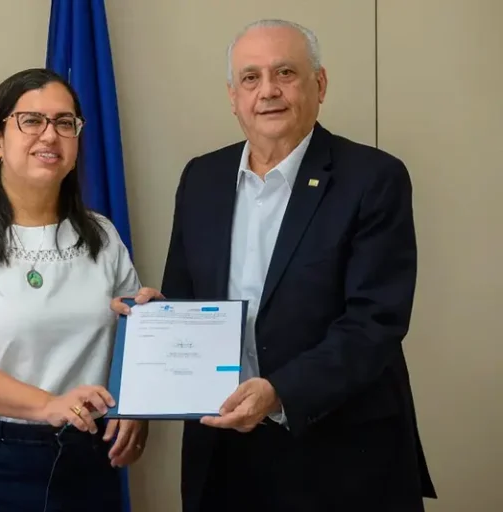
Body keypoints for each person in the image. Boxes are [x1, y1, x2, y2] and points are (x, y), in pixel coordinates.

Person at [117, 19, 436, 511]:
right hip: (222, 450)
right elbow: (187, 296)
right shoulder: (203, 177)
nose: (268, 91)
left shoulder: (374, 178)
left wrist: (280, 392)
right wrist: (157, 318)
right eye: (250, 78)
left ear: (320, 84)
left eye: (285, 72)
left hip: (338, 451)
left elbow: (375, 322)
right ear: (232, 95)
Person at [0, 67, 151, 512]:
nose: (49, 135)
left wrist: (153, 334)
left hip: (86, 459)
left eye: (64, 123)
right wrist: (48, 406)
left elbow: (130, 344)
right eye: (31, 120)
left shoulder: (101, 236)